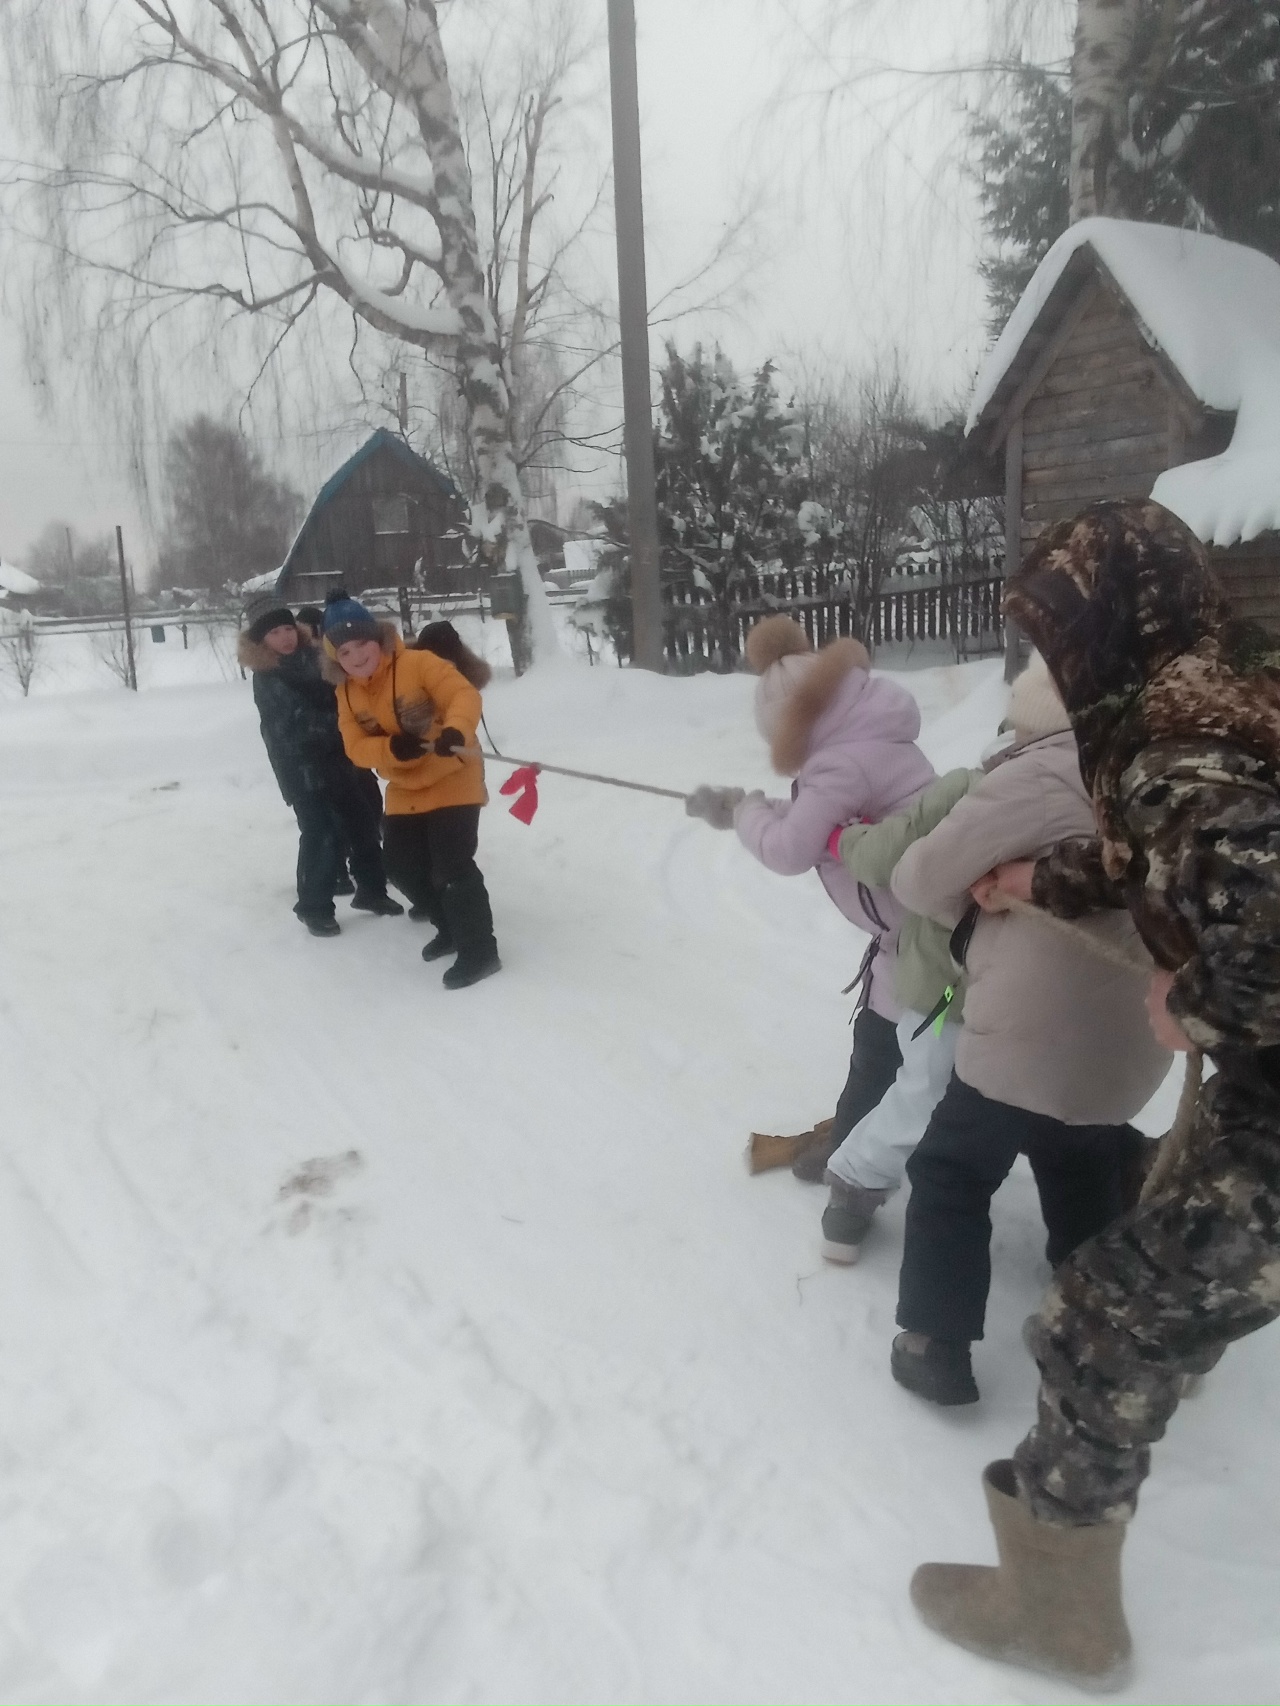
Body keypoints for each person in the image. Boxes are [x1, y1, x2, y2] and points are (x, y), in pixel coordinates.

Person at [910, 499, 1280, 1688]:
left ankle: (1057, 1616)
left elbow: (1258, 929)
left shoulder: (1181, 754)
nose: (1053, 655)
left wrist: (1196, 1004)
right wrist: (1041, 877)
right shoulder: (1206, 706)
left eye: (1060, 629)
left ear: (1110, 624)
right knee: (1129, 1296)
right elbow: (1153, 860)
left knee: (1098, 1322)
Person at [887, 654, 1168, 1406]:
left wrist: (974, 899)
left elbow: (918, 877)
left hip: (1028, 1038)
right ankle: (1092, 1321)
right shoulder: (1158, 773)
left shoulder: (1041, 773)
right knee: (1079, 1155)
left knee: (952, 1170)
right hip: (1134, 1035)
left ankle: (935, 1342)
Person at [686, 615, 937, 1181]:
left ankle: (855, 1158)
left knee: (918, 1052)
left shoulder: (838, 765)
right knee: (891, 1045)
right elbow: (820, 821)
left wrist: (748, 812)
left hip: (924, 940)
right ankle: (856, 1138)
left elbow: (790, 848)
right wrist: (743, 810)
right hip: (915, 930)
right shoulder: (871, 736)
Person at [818, 766, 975, 1260]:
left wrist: (846, 839)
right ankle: (855, 1182)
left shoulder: (1114, 795)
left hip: (1026, 990)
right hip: (952, 987)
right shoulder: (972, 788)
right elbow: (883, 854)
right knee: (927, 1080)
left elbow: (883, 853)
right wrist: (846, 839)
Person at [323, 590, 501, 988]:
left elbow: (462, 694)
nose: (356, 656)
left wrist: (455, 729)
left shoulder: (418, 663)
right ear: (336, 659)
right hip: (405, 785)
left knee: (451, 865)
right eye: (345, 651)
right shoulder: (346, 693)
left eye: (361, 643)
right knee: (402, 867)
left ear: (377, 638)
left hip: (453, 774)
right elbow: (354, 747)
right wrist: (390, 749)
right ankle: (448, 927)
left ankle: (480, 950)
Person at [238, 593, 401, 937]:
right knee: (322, 834)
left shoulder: (316, 658)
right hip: (301, 769)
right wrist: (348, 723)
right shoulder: (267, 676)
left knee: (363, 822)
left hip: (339, 759)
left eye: (287, 628)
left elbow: (346, 690)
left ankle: (372, 891)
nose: (284, 637)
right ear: (261, 640)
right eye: (274, 633)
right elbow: (297, 723)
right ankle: (314, 907)